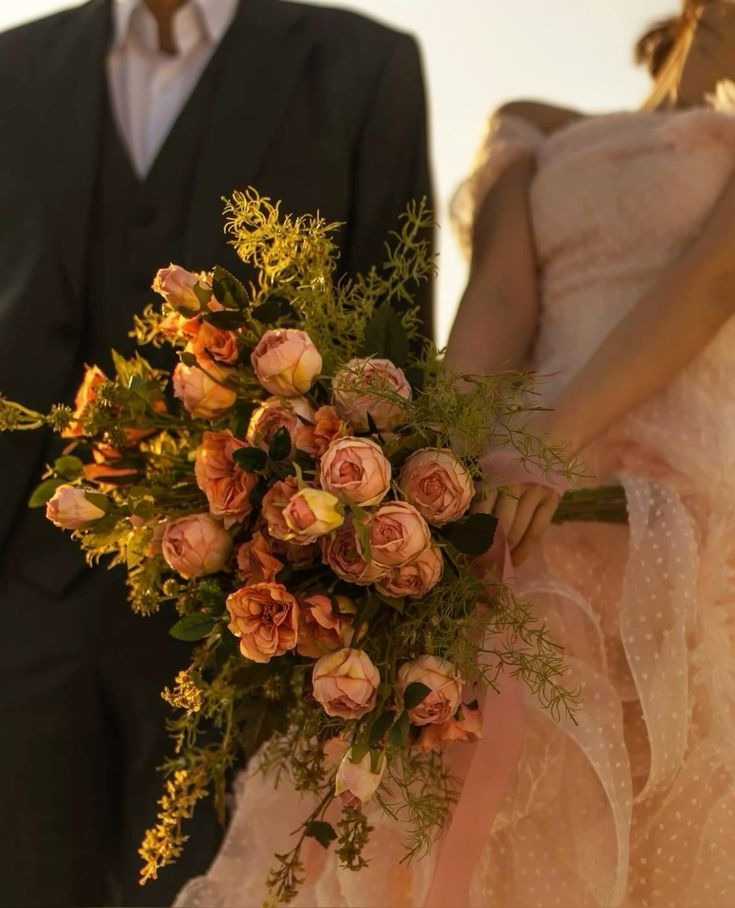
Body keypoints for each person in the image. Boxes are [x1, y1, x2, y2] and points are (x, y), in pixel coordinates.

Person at [174, 1, 735, 906]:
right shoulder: (539, 128)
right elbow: (500, 305)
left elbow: (710, 285)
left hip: (670, 499)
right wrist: (421, 469)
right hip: (518, 492)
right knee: (452, 781)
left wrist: (563, 441)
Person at [0, 2, 432, 906]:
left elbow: (399, 351)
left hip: (255, 617)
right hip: (21, 588)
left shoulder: (363, 67)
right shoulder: (15, 65)